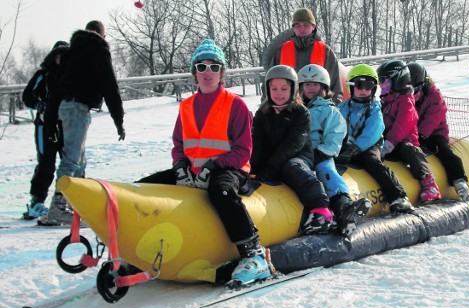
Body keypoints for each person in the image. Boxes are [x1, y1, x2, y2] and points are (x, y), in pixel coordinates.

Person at [138, 40, 271, 286]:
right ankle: (136, 250)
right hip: (192, 171)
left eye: (213, 67)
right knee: (143, 186)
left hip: (230, 169)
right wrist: (179, 168)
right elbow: (178, 145)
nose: (207, 72)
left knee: (220, 191)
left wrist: (212, 167)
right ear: (194, 73)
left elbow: (243, 151)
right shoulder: (186, 106)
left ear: (222, 73)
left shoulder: (236, 104)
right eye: (201, 67)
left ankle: (254, 255)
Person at [43, 20, 126, 226]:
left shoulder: (72, 52)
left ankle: (76, 203)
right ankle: (58, 207)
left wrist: (51, 121)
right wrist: (119, 120)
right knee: (71, 159)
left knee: (79, 161)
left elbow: (55, 88)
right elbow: (110, 86)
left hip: (65, 107)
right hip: (78, 108)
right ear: (102, 35)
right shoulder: (98, 50)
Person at [251, 64, 335, 235]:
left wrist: (272, 167)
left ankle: (321, 209)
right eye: (274, 88)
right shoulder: (262, 113)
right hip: (271, 158)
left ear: (293, 89)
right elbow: (257, 141)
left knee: (292, 168)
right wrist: (252, 165)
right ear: (268, 89)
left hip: (298, 155)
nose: (278, 93)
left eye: (284, 88)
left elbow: (293, 144)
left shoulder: (300, 112)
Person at [297, 64, 372, 236]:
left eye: (315, 84)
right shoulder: (296, 110)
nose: (311, 88)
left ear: (323, 87)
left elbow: (335, 136)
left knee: (326, 171)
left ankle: (344, 207)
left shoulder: (329, 111)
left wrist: (321, 153)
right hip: (300, 156)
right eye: (307, 85)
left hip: (320, 155)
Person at [336, 64, 413, 213]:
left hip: (369, 146)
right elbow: (335, 127)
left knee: (372, 161)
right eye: (359, 85)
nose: (364, 90)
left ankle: (398, 196)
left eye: (368, 86)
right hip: (347, 145)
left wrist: (355, 149)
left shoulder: (374, 108)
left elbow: (372, 132)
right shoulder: (342, 108)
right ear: (351, 87)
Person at [407, 62, 469, 208]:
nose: (413, 94)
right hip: (413, 134)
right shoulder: (405, 98)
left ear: (424, 84)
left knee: (442, 150)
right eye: (409, 90)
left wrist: (422, 135)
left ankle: (459, 180)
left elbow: (433, 118)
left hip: (434, 133)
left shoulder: (434, 96)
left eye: (416, 89)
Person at [376, 60, 441, 203]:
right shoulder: (386, 101)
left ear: (397, 79)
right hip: (386, 142)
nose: (381, 86)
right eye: (379, 82)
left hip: (403, 141)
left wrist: (389, 143)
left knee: (410, 151)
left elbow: (402, 125)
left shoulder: (406, 101)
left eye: (383, 81)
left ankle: (429, 182)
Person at [21, 41, 69, 222]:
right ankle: (36, 201)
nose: (61, 59)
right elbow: (27, 96)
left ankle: (68, 201)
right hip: (44, 125)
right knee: (46, 163)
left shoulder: (71, 76)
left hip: (65, 125)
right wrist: (38, 104)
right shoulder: (43, 75)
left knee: (70, 162)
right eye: (59, 55)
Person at [264, 8, 343, 104]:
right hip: (289, 108)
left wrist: (332, 110)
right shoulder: (281, 50)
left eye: (306, 25)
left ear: (313, 26)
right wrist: (267, 107)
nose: (302, 29)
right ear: (293, 28)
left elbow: (335, 86)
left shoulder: (325, 51)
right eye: (297, 25)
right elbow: (269, 83)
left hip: (319, 109)